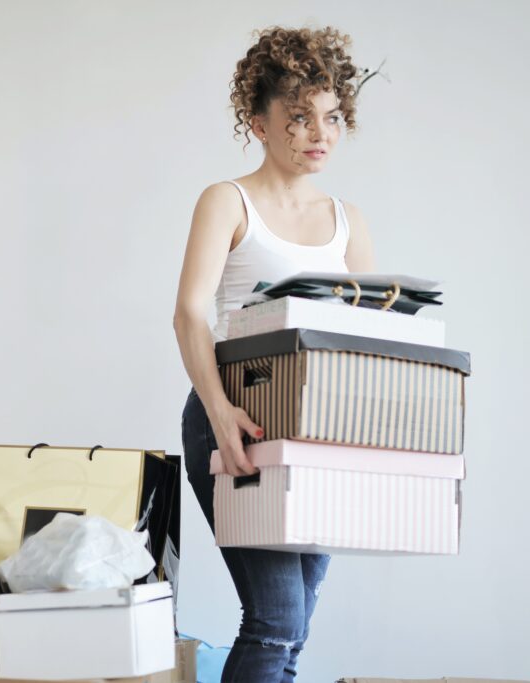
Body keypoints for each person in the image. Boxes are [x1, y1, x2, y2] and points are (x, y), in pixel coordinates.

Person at [173, 26, 376, 682]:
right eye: (299, 117)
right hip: (236, 416)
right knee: (277, 618)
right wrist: (220, 413)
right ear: (258, 124)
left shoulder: (348, 220)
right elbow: (189, 314)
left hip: (318, 431)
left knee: (295, 625)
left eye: (332, 116)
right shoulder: (227, 201)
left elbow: (365, 339)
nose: (320, 133)